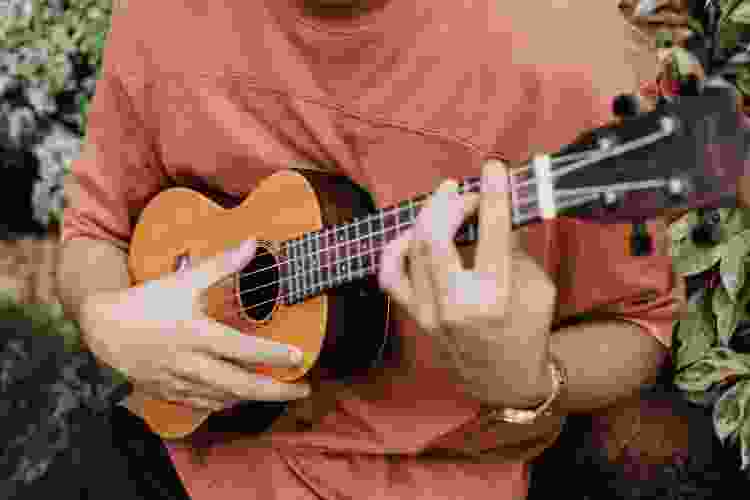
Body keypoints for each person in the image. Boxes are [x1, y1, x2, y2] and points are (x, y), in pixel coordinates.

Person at [56, 1, 682, 499]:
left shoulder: (575, 56)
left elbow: (640, 325)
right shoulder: (161, 15)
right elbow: (94, 230)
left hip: (446, 478)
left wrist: (533, 378)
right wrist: (107, 319)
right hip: (192, 454)